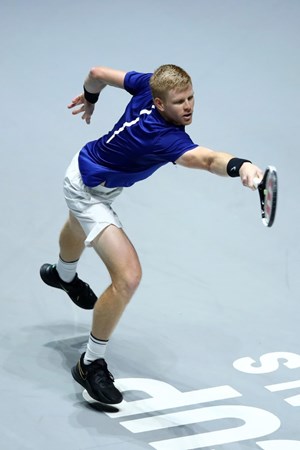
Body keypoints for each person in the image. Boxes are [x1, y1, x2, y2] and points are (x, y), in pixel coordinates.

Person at [40, 64, 263, 405]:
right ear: (159, 104)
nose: (188, 107)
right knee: (127, 277)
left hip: (89, 167)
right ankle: (90, 363)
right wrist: (241, 166)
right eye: (179, 102)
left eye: (191, 98)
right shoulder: (163, 137)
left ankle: (62, 274)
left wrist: (89, 98)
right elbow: (207, 160)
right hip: (88, 189)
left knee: (77, 225)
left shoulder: (149, 84)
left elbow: (97, 73)